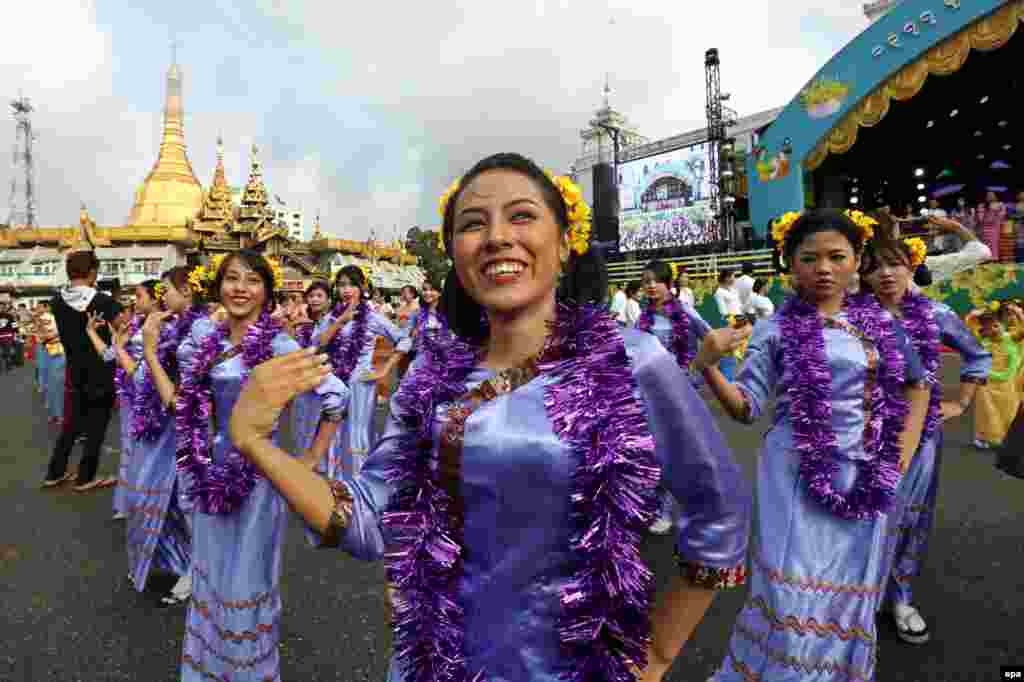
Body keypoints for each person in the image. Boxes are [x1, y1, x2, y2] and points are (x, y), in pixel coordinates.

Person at [229, 152, 752, 681]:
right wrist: (255, 441)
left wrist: (655, 658)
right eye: (474, 224)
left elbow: (720, 511)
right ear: (456, 255)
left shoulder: (634, 360)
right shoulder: (434, 377)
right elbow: (365, 518)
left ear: (565, 242)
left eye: (521, 215)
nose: (498, 237)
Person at [695, 208, 930, 682]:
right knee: (789, 599)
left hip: (867, 477)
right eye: (809, 258)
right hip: (794, 479)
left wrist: (899, 461)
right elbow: (747, 409)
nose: (823, 268)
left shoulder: (882, 324)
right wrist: (708, 366)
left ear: (855, 259)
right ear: (790, 264)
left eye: (836, 256)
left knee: (848, 593)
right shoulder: (774, 329)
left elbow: (917, 384)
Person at [176, 251, 349, 681]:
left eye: (251, 280)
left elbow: (337, 396)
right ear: (218, 288)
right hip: (211, 472)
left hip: (257, 479)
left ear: (266, 293)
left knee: (247, 581)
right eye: (231, 279)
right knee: (212, 576)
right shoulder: (209, 343)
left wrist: (308, 461)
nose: (239, 287)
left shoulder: (280, 346)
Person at [860, 235, 991, 645]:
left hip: (920, 437)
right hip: (860, 436)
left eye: (895, 264)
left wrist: (961, 402)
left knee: (909, 517)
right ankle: (857, 604)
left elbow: (978, 354)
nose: (886, 274)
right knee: (860, 520)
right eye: (875, 266)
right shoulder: (850, 317)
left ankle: (900, 598)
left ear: (911, 266)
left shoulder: (935, 314)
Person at [128, 268, 203, 605]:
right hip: (166, 423)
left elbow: (183, 394)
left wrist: (150, 347)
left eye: (167, 290)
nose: (162, 297)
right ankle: (179, 563)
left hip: (190, 425)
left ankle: (196, 572)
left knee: (186, 502)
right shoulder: (173, 326)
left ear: (188, 290)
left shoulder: (201, 328)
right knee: (164, 498)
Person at [638, 259, 713, 535]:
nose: (650, 286)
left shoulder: (685, 312)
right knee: (655, 450)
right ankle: (661, 508)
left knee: (682, 452)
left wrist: (696, 371)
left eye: (654, 281)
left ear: (668, 283)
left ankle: (688, 508)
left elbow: (711, 338)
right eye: (645, 282)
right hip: (651, 392)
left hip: (681, 393)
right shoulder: (642, 318)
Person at [317, 265, 408, 479]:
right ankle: (334, 480)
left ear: (361, 288)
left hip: (361, 383)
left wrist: (383, 370)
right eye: (341, 285)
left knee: (357, 431)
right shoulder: (332, 316)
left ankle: (358, 483)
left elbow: (404, 339)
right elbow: (319, 343)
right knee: (335, 429)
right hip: (336, 383)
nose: (346, 290)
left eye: (351, 284)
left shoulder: (374, 318)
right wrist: (340, 321)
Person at [42, 251, 123, 492]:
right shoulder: (103, 301)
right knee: (96, 427)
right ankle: (85, 477)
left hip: (74, 369)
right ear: (92, 272)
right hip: (101, 370)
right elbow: (125, 327)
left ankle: (54, 472)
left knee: (71, 425)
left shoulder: (57, 301)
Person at [85, 280, 160, 518]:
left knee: (154, 450)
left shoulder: (170, 326)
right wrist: (91, 332)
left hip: (154, 395)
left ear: (155, 299)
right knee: (131, 448)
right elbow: (110, 355)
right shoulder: (134, 325)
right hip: (131, 395)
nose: (134, 302)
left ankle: (156, 502)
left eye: (139, 297)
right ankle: (131, 502)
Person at [969, 304, 1024, 449]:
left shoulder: (1010, 339)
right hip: (986, 385)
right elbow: (971, 330)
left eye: (995, 325)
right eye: (988, 328)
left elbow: (1011, 369)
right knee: (985, 412)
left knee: (1008, 411)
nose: (993, 330)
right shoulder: (984, 342)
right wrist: (973, 317)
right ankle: (983, 437)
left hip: (1005, 384)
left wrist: (1019, 314)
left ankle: (1007, 438)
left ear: (1002, 325)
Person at [712, 269, 742, 380]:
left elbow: (738, 307)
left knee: (734, 355)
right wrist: (732, 324)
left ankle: (727, 379)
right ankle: (727, 380)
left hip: (738, 323)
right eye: (733, 276)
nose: (734, 278)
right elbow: (723, 312)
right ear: (726, 278)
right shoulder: (719, 292)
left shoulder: (733, 290)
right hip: (728, 324)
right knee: (728, 355)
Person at [978, 191, 1006, 262]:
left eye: (991, 194)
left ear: (996, 196)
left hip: (995, 227)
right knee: (985, 244)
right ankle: (985, 259)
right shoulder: (982, 205)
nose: (989, 196)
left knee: (994, 244)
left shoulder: (1000, 204)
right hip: (984, 228)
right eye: (988, 195)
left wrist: (995, 214)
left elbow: (1002, 215)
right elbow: (980, 218)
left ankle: (995, 259)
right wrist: (984, 213)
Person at [0, 295, 19, 373]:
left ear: (4, 308)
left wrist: (17, 332)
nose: (0, 308)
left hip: (7, 336)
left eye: (2, 307)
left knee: (7, 352)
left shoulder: (9, 316)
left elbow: (14, 325)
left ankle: (9, 365)